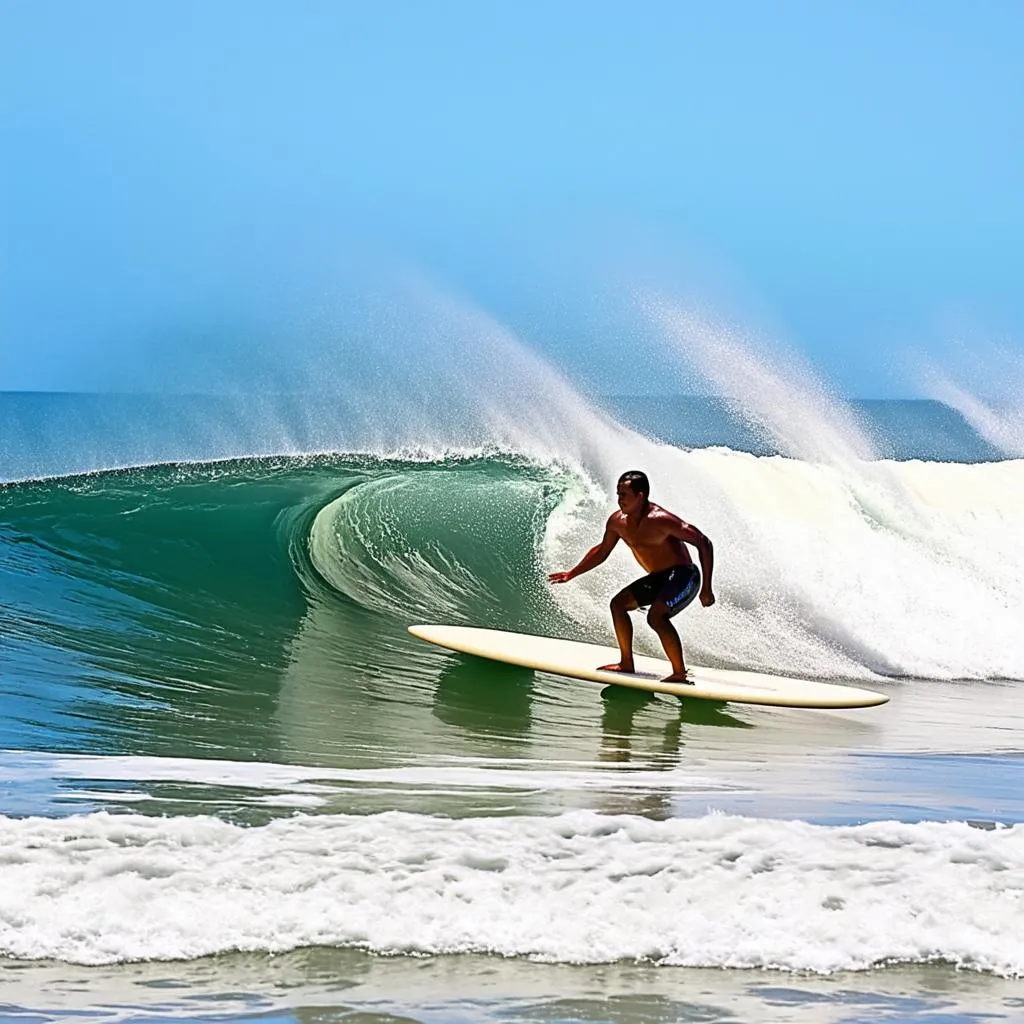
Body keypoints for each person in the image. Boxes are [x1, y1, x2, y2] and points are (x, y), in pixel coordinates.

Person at [548, 470, 715, 682]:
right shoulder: (617, 522)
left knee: (656, 616)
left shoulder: (661, 520)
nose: (619, 500)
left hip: (684, 575)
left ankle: (679, 673)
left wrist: (707, 588)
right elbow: (602, 551)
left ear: (640, 496)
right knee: (618, 605)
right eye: (618, 494)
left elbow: (703, 542)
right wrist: (572, 573)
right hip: (658, 578)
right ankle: (626, 662)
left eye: (624, 494)